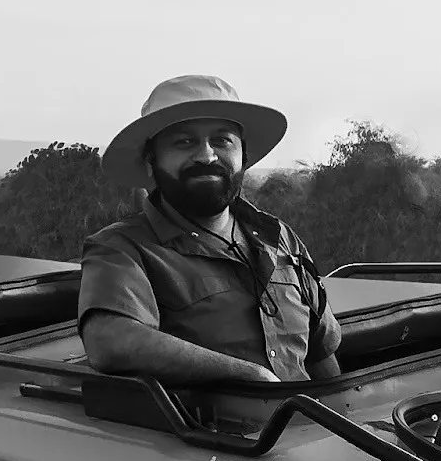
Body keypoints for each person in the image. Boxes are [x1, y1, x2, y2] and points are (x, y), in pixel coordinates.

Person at [78, 74, 343, 387]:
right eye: (184, 142)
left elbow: (321, 355)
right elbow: (110, 340)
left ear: (242, 156)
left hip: (309, 430)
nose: (206, 155)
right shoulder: (122, 248)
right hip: (212, 435)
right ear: (151, 162)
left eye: (221, 140)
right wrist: (249, 376)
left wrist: (340, 419)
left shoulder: (280, 238)